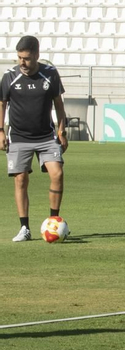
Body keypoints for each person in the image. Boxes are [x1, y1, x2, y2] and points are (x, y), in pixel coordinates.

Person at [2, 35, 67, 242]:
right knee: (20, 179)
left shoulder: (50, 74)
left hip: (46, 136)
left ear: (37, 55)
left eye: (27, 58)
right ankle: (24, 228)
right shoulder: (9, 76)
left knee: (57, 174)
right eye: (19, 58)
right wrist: (0, 131)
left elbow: (59, 105)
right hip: (19, 136)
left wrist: (62, 131)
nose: (22, 62)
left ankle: (54, 222)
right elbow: (2, 103)